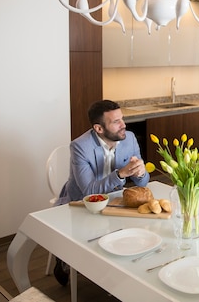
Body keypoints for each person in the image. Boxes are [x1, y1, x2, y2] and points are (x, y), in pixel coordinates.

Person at [54, 99, 150, 286]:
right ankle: (63, 259)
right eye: (116, 122)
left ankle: (118, 277)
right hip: (81, 204)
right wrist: (122, 173)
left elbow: (144, 183)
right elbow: (89, 191)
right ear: (99, 128)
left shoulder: (129, 138)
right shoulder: (80, 146)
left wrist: (140, 171)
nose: (124, 125)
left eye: (122, 119)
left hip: (116, 201)